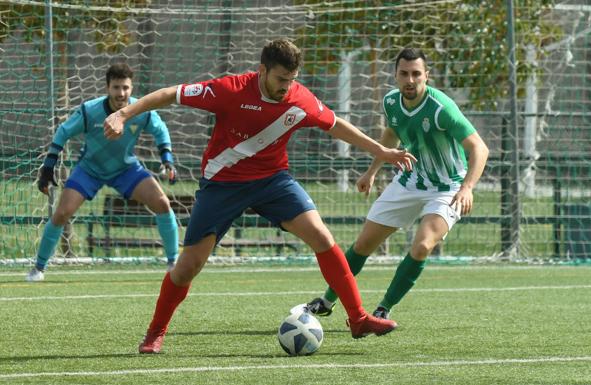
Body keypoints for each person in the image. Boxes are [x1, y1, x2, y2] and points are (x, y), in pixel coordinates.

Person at [103, 38, 417, 354]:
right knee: (187, 267)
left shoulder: (300, 99)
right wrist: (124, 114)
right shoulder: (231, 90)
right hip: (223, 185)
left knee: (321, 236)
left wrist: (380, 151)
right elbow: (171, 94)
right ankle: (155, 333)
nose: (287, 86)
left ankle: (358, 318)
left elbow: (336, 125)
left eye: (292, 80)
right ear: (262, 70)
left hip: (273, 181)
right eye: (281, 79)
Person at [306, 48, 489, 321]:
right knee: (363, 245)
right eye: (404, 74)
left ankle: (384, 307)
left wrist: (467, 187)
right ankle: (327, 300)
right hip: (410, 180)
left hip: (447, 187)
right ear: (395, 75)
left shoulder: (441, 108)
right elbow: (391, 134)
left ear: (427, 76)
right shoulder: (392, 102)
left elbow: (479, 147)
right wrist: (371, 172)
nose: (410, 80)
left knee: (422, 245)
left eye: (416, 74)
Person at [26, 63, 179, 282]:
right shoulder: (90, 111)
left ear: (132, 88)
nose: (121, 93)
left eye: (125, 87)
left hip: (126, 169)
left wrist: (167, 160)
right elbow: (63, 132)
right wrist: (48, 167)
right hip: (90, 170)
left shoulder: (141, 110)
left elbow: (160, 129)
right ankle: (38, 268)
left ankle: (173, 263)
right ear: (107, 88)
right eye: (116, 87)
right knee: (61, 214)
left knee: (163, 203)